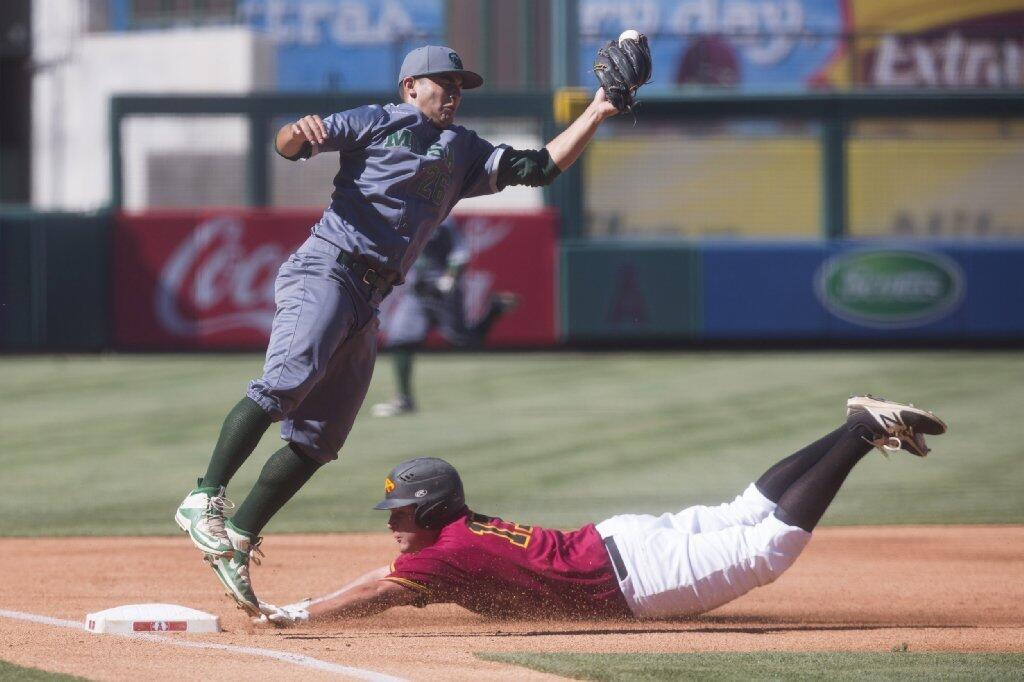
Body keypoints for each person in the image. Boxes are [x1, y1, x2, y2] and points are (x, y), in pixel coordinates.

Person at [173, 45, 621, 617]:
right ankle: (204, 496)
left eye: (460, 84)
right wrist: (292, 133)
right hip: (327, 267)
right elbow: (290, 145)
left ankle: (238, 535)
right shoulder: (376, 120)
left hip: (370, 296)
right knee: (286, 382)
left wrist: (597, 111)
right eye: (443, 81)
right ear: (410, 86)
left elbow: (538, 167)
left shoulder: (464, 149)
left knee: (319, 439)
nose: (454, 91)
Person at [255, 395, 948, 624]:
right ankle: (859, 420)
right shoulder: (458, 531)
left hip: (634, 575)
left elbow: (378, 588)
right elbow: (384, 572)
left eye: (402, 511)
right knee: (744, 510)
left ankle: (860, 433)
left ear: (433, 511)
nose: (392, 520)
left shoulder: (448, 553)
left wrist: (299, 614)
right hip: (624, 546)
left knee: (765, 546)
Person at [372, 218, 520, 417]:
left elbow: (460, 253)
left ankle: (494, 309)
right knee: (400, 339)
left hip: (443, 291)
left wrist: (450, 277)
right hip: (417, 292)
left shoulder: (442, 222)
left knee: (464, 340)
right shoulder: (400, 219)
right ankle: (403, 399)